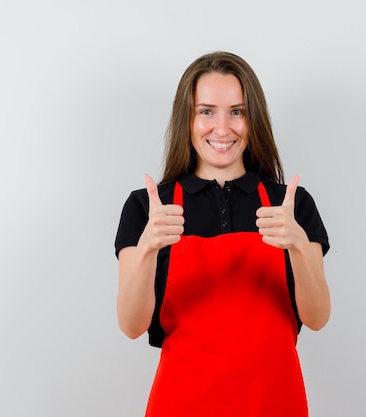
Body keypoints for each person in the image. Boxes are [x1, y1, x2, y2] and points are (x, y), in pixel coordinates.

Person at [114, 51, 330, 417]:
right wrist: (148, 248)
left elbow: (317, 317)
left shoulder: (290, 206)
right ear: (187, 119)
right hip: (182, 403)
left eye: (237, 111)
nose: (222, 127)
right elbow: (131, 325)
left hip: (274, 403)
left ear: (253, 118)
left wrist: (297, 245)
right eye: (206, 111)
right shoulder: (149, 209)